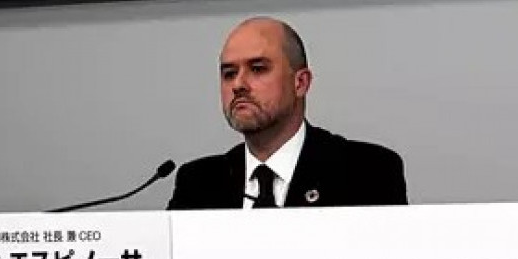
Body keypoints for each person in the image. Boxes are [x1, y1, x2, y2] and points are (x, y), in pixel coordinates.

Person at [167, 17, 407, 210]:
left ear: (300, 83)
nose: (238, 85)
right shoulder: (198, 183)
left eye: (257, 69)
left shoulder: (367, 171)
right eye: (229, 73)